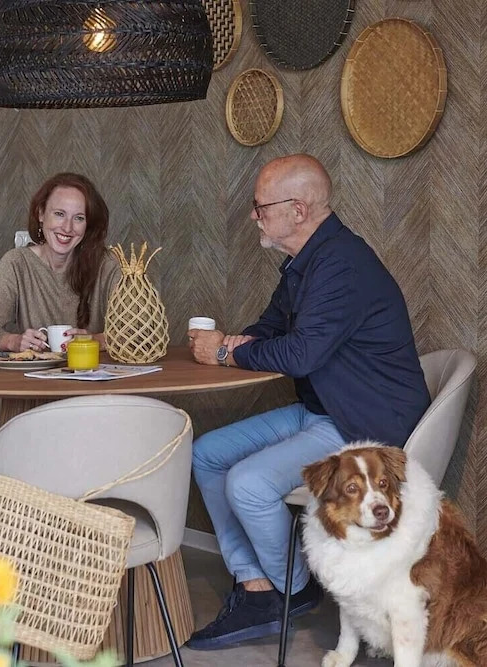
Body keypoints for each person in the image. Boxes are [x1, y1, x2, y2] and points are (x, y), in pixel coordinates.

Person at [185, 154, 431, 649]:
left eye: (260, 207)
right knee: (206, 453)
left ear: (297, 209)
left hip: (362, 421)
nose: (254, 216)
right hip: (324, 409)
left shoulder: (342, 264)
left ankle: (293, 591)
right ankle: (256, 583)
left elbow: (300, 354)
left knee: (248, 484)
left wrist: (227, 353)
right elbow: (270, 328)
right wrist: (233, 344)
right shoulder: (305, 263)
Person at [0, 172, 121, 351]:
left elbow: (141, 333)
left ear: (88, 225)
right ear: (41, 213)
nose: (67, 227)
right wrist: (13, 341)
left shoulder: (108, 265)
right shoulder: (16, 263)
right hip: (34, 369)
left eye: (79, 218)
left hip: (93, 368)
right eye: (59, 214)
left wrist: (95, 340)